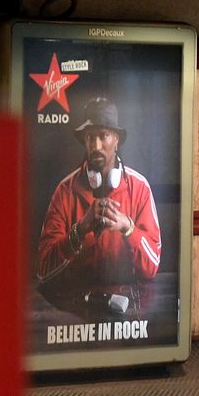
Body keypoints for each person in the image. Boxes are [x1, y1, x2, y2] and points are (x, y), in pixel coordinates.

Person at [37, 97, 163, 318]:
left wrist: (128, 228)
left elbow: (152, 266)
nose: (95, 145)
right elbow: (44, 270)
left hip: (127, 310)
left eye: (103, 135)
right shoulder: (65, 190)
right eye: (90, 137)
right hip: (75, 311)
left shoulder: (139, 187)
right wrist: (81, 229)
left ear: (117, 140)